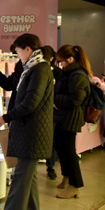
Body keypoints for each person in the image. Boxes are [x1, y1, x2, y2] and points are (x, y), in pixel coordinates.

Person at [0, 34, 54, 210]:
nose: (17, 55)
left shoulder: (39, 69)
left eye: (17, 51)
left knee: (20, 176)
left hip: (32, 131)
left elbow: (30, 102)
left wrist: (7, 117)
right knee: (28, 174)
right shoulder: (32, 68)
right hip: (30, 129)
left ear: (27, 49)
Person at [53, 44, 91, 199]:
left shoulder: (77, 75)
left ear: (70, 59)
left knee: (68, 151)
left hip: (71, 117)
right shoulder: (70, 73)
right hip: (63, 116)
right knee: (60, 146)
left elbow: (76, 99)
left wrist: (55, 99)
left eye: (61, 61)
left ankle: (75, 185)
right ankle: (67, 177)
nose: (60, 64)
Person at [41, 45, 62, 180]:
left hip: (52, 112)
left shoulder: (58, 73)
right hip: (38, 110)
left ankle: (51, 166)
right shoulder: (36, 70)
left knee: (51, 140)